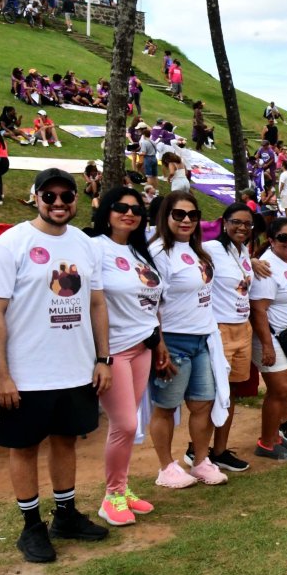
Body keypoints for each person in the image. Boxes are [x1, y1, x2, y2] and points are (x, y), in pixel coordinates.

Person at [0, 168, 113, 562]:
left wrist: (102, 359)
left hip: (76, 368)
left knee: (66, 440)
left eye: (66, 196)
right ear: (36, 197)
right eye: (49, 196)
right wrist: (1, 373)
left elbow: (97, 304)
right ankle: (31, 527)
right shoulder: (11, 244)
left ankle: (66, 516)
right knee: (24, 447)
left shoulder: (86, 245)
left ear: (75, 199)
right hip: (27, 372)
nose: (59, 203)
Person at [87, 187, 164, 525]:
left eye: (135, 209)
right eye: (120, 207)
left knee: (127, 425)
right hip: (113, 349)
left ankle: (122, 487)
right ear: (106, 210)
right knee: (125, 424)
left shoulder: (138, 250)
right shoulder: (94, 247)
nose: (129, 213)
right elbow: (93, 302)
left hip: (142, 347)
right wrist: (101, 357)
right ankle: (111, 497)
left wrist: (158, 341)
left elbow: (153, 303)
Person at [147, 191, 226, 488]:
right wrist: (159, 344)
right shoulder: (158, 253)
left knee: (203, 404)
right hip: (173, 340)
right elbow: (151, 302)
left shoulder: (197, 250)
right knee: (166, 407)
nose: (186, 220)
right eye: (179, 214)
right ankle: (166, 467)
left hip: (202, 339)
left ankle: (200, 461)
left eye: (193, 215)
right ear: (165, 216)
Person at [199, 204, 264, 471]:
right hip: (220, 329)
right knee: (212, 393)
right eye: (236, 222)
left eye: (247, 224)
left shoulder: (243, 252)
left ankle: (220, 450)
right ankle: (197, 450)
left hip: (242, 328)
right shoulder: (210, 249)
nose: (242, 228)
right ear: (224, 222)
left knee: (231, 391)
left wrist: (254, 261)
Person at [250, 216, 287, 461]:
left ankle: (274, 436)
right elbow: (258, 309)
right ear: (271, 240)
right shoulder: (267, 266)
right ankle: (266, 443)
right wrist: (267, 346)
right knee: (280, 389)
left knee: (283, 389)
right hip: (271, 337)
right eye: (283, 237)